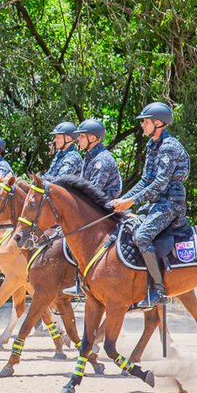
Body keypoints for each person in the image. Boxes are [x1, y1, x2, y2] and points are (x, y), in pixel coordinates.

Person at [109, 102, 190, 309]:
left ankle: (159, 290)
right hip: (156, 202)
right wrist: (123, 200)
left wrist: (132, 201)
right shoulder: (152, 145)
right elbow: (146, 180)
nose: (142, 125)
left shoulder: (169, 147)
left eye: (145, 121)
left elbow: (160, 183)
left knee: (142, 235)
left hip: (171, 203)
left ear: (158, 123)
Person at [62, 118, 121, 296]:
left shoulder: (101, 160)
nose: (78, 139)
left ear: (93, 138)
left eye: (81, 136)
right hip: (93, 207)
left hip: (104, 208)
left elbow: (94, 190)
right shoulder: (90, 157)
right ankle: (80, 280)